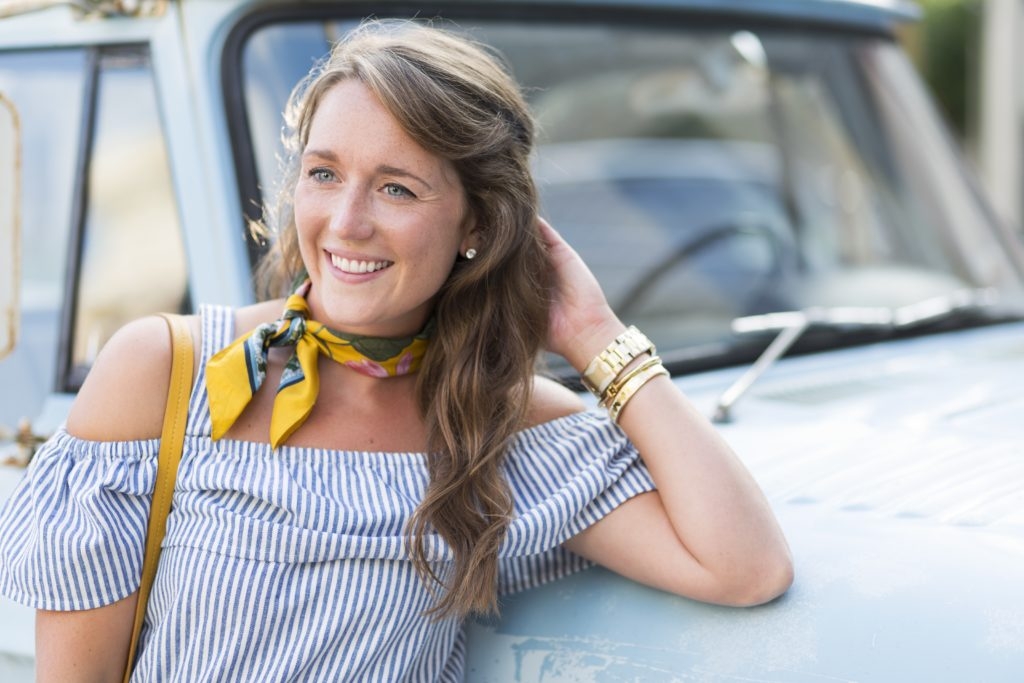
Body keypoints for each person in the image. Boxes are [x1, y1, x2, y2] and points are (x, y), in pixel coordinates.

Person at [0, 20, 792, 682]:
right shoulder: (165, 370)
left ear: (477, 226)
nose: (346, 222)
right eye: (323, 173)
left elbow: (745, 566)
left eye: (397, 188)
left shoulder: (500, 420)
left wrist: (596, 337)